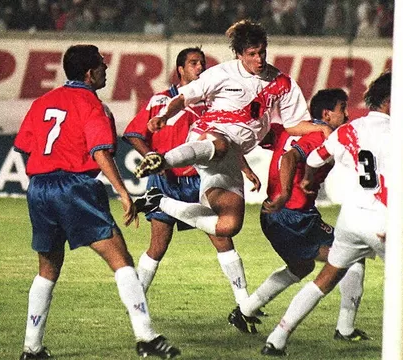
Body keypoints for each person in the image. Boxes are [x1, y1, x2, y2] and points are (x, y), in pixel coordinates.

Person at [260, 73, 403, 359]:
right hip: (386, 222)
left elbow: (314, 158)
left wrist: (308, 181)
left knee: (326, 278)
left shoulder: (351, 128)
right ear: (390, 100)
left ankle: (277, 338)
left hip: (351, 219)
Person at [132, 19, 329, 320]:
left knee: (228, 225)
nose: (259, 59)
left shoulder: (282, 83)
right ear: (239, 54)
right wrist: (162, 116)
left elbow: (291, 125)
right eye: (252, 54)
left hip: (231, 156)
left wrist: (321, 127)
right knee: (220, 144)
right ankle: (164, 159)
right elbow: (184, 97)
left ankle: (159, 202)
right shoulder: (221, 73)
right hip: (207, 137)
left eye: (262, 52)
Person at [13, 44, 180, 360]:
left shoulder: (42, 102)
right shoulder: (92, 104)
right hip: (74, 186)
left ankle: (31, 348)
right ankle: (146, 337)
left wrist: (42, 179)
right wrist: (123, 191)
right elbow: (100, 152)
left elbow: (24, 148)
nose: (106, 70)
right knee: (120, 259)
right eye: (102, 66)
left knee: (47, 267)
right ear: (91, 73)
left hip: (39, 188)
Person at [230, 89, 369, 341]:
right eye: (342, 109)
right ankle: (345, 329)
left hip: (277, 214)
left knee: (301, 266)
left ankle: (245, 310)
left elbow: (256, 137)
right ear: (326, 114)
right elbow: (290, 157)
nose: (347, 115)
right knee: (351, 258)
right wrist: (284, 192)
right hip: (292, 215)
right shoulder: (318, 136)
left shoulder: (290, 129)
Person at [122, 47, 209, 295]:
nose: (200, 67)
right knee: (158, 245)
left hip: (198, 179)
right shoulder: (159, 100)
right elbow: (133, 134)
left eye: (202, 63)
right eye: (194, 63)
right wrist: (151, 156)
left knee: (222, 236)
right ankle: (136, 301)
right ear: (180, 69)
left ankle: (245, 304)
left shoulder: (210, 101)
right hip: (164, 182)